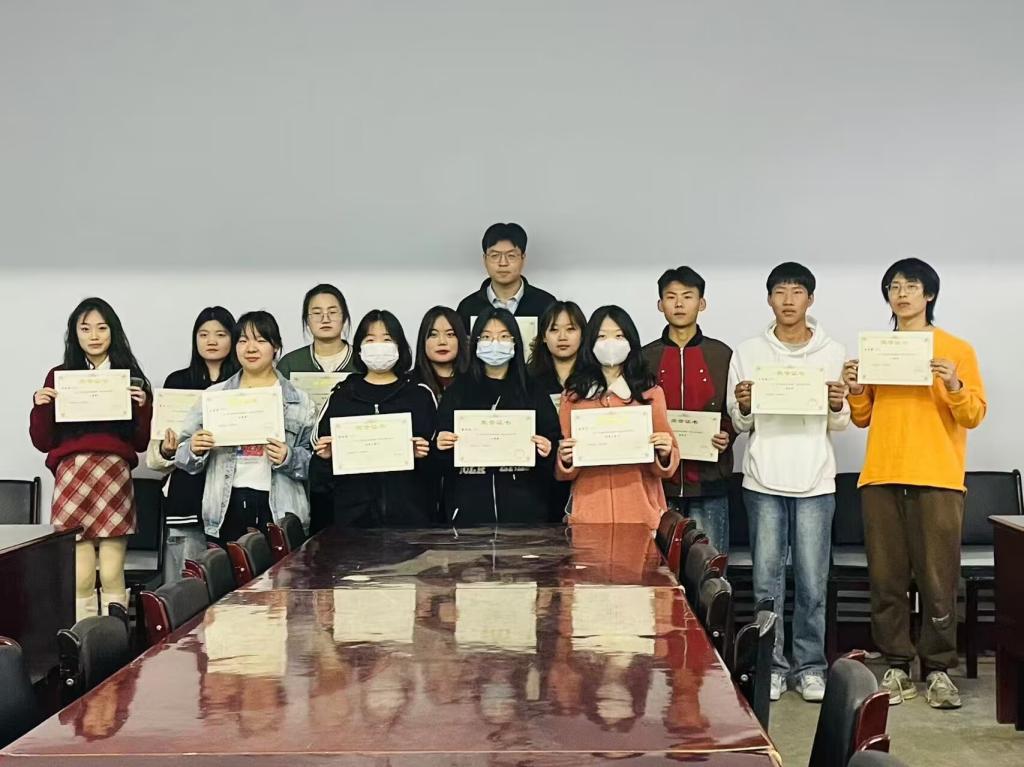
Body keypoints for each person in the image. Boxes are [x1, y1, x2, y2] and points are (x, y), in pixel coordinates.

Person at [842, 258, 986, 710]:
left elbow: (974, 415)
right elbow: (863, 418)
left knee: (939, 580)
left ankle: (939, 669)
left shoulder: (955, 349)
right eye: (894, 287)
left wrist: (954, 383)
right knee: (886, 580)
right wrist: (856, 388)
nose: (901, 294)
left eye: (911, 286)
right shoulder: (878, 350)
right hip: (881, 475)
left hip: (937, 477)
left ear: (930, 295)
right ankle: (897, 665)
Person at [727, 262, 849, 704]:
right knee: (766, 581)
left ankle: (811, 666)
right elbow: (740, 423)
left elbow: (840, 422)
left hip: (816, 480)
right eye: (780, 292)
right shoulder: (748, 351)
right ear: (769, 299)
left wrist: (837, 402)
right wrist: (743, 404)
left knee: (813, 580)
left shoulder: (833, 351)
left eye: (797, 292)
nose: (788, 300)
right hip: (763, 479)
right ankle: (772, 666)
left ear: (810, 299)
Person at [30, 297, 152, 620]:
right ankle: (85, 644)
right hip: (72, 475)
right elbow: (42, 441)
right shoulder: (59, 376)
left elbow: (141, 442)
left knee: (112, 572)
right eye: (85, 329)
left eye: (102, 328)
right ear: (75, 334)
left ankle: (115, 641)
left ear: (114, 331)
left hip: (114, 475)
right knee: (81, 576)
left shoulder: (130, 377)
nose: (94, 336)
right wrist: (41, 406)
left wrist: (143, 407)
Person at [175, 311, 315, 544]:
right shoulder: (215, 396)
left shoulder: (299, 401)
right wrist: (194, 448)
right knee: (227, 568)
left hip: (280, 509)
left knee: (281, 569)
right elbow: (182, 455)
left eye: (260, 340)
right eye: (243, 340)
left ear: (276, 346)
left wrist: (288, 457)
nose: (251, 348)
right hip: (225, 507)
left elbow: (315, 463)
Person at [435, 307, 561, 525]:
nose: (495, 343)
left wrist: (548, 450)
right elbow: (440, 461)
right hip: (468, 513)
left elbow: (553, 443)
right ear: (475, 343)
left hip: (525, 512)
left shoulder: (533, 391)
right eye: (486, 337)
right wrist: (441, 446)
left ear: (515, 343)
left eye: (503, 337)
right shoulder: (458, 391)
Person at [556, 305, 679, 529]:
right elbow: (565, 472)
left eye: (619, 336)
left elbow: (668, 464)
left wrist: (665, 453)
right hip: (590, 515)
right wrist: (565, 459)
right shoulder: (573, 397)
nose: (610, 343)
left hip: (641, 513)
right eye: (602, 336)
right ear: (590, 343)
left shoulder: (649, 393)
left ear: (631, 341)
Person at [312, 309, 438, 527]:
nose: (379, 346)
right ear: (359, 348)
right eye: (370, 340)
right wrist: (325, 458)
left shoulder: (419, 395)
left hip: (410, 523)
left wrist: (423, 456)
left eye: (387, 339)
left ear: (399, 346)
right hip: (352, 523)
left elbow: (440, 468)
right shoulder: (342, 395)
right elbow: (319, 477)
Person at [641, 267, 735, 552]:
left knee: (710, 567)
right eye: (671, 297)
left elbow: (733, 411)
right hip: (660, 484)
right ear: (660, 305)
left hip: (709, 482)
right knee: (658, 569)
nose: (679, 304)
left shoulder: (722, 355)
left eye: (687, 296)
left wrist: (727, 434)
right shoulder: (644, 357)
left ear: (701, 303)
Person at [146, 306, 238, 583]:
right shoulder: (177, 381)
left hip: (231, 501)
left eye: (220, 334)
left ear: (233, 339)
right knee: (186, 586)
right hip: (186, 499)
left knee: (231, 585)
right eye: (203, 334)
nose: (211, 341)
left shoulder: (242, 384)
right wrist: (168, 449)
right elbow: (156, 456)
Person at [276, 284, 358, 533]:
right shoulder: (290, 363)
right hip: (302, 466)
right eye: (316, 313)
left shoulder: (361, 361)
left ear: (344, 317)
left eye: (333, 312)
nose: (325, 318)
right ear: (306, 320)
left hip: (353, 462)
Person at [528, 300, 585, 519]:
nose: (562, 337)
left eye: (570, 329)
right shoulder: (528, 380)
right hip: (539, 481)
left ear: (583, 334)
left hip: (585, 478)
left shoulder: (597, 380)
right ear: (543, 336)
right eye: (554, 329)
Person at [455, 222, 556, 336]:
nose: (503, 263)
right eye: (495, 256)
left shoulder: (546, 304)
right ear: (484, 260)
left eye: (511, 256)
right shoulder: (468, 307)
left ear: (523, 259)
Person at [413, 306, 470, 400]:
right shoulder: (409, 385)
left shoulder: (475, 382)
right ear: (423, 340)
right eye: (433, 335)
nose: (442, 342)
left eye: (450, 334)